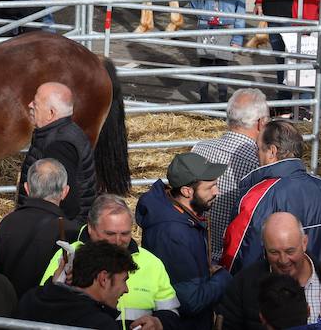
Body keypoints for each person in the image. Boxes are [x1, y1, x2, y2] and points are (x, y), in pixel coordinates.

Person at [40, 194, 179, 329]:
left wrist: (159, 322)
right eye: (110, 234)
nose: (118, 241)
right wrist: (63, 283)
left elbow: (171, 311)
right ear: (90, 228)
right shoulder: (69, 256)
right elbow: (45, 303)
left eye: (125, 233)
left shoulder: (151, 262)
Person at [135, 152, 232, 330]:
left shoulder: (185, 218)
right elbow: (189, 301)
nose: (216, 192)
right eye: (210, 187)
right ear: (187, 191)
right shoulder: (172, 234)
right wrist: (223, 278)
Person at [225, 119, 321, 270]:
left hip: (274, 289)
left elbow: (238, 257)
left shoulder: (257, 196)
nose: (256, 154)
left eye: (258, 148)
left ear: (272, 151)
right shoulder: (318, 185)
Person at [192, 88, 268, 263]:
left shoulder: (199, 148)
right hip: (234, 259)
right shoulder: (259, 164)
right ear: (260, 123)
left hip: (199, 252)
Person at [220, 212, 320, 330]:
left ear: (304, 243)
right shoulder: (242, 286)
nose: (283, 260)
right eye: (274, 252)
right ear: (265, 248)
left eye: (290, 251)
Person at [0, 158, 75, 298]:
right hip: (47, 311)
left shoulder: (7, 223)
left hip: (9, 310)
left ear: (26, 188)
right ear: (65, 192)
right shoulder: (70, 231)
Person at [18, 81, 96, 224]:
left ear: (51, 113)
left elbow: (64, 201)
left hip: (54, 232)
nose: (29, 105)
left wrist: (48, 231)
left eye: (35, 103)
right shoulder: (63, 133)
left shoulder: (59, 145)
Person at [16, 239, 137, 330]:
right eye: (124, 280)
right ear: (103, 278)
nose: (126, 289)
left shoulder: (30, 300)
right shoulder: (99, 324)